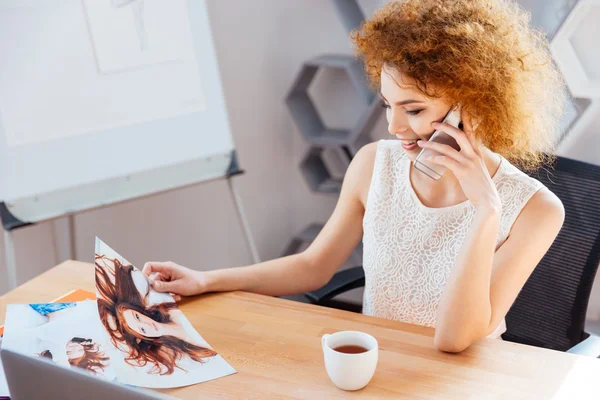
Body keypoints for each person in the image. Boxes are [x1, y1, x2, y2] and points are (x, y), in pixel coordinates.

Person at [143, 0, 566, 353]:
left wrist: (486, 210)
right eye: (387, 104)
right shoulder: (373, 164)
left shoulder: (536, 210)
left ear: (473, 105)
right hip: (375, 365)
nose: (393, 127)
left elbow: (455, 341)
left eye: (413, 110)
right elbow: (314, 266)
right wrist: (206, 280)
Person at [95, 257, 218, 375]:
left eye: (137, 317)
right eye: (142, 329)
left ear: (141, 312)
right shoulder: (182, 353)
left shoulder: (172, 311)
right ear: (141, 337)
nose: (146, 324)